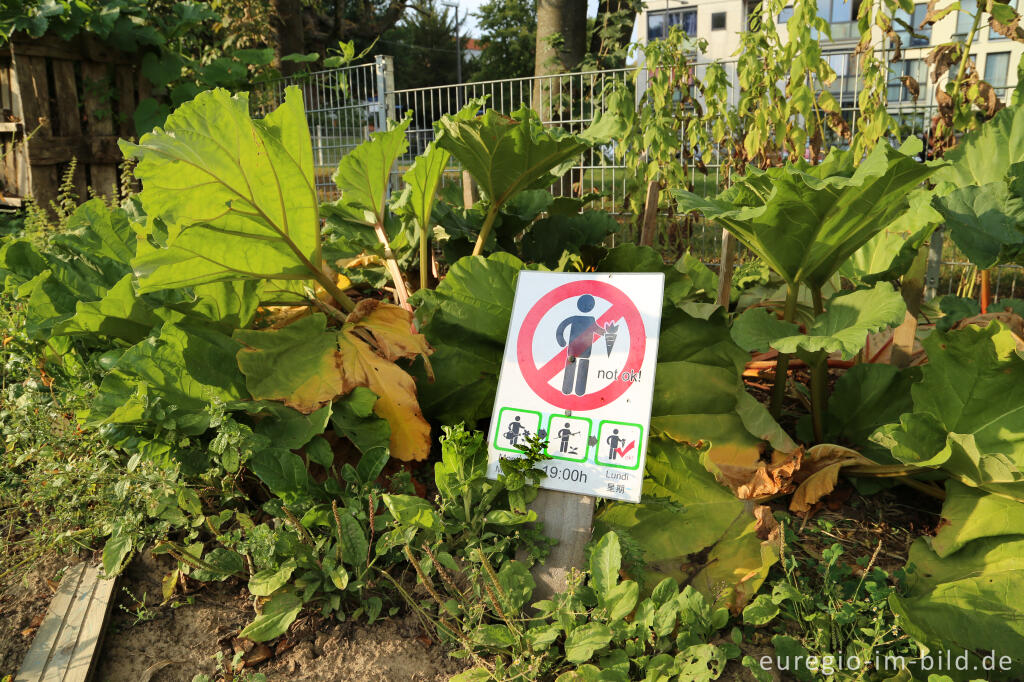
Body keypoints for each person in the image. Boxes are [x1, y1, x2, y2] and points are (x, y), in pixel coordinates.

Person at [556, 295, 608, 396]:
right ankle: (567, 389)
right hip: (574, 350)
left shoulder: (591, 320)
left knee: (582, 368)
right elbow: (562, 327)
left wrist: (607, 333)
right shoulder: (575, 318)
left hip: (585, 351)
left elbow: (598, 330)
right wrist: (561, 340)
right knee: (571, 368)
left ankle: (580, 391)